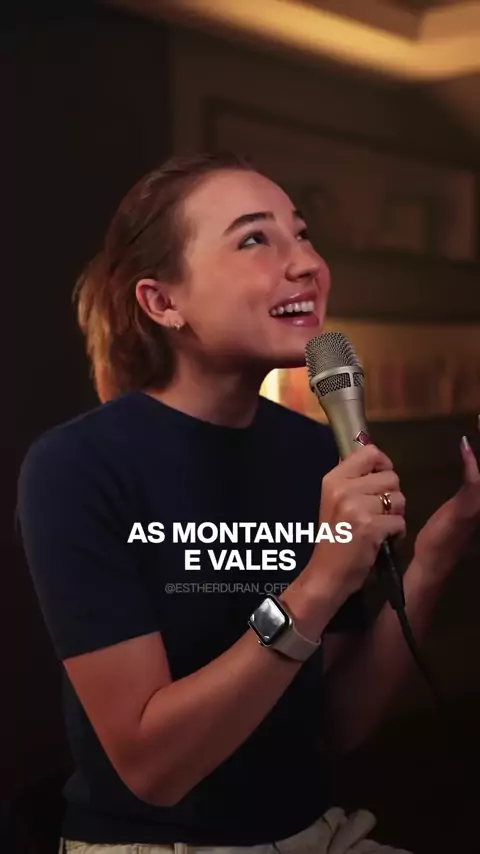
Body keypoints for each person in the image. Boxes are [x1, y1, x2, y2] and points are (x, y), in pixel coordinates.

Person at [17, 153, 480, 854]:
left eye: (303, 234)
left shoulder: (315, 451)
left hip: (314, 832)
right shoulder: (78, 466)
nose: (308, 264)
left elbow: (342, 723)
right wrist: (320, 580)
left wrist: (435, 557)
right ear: (162, 303)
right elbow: (154, 769)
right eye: (255, 238)